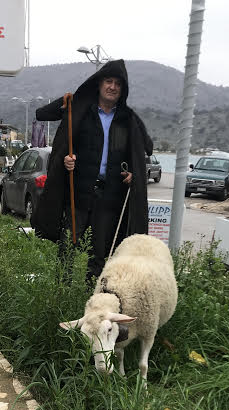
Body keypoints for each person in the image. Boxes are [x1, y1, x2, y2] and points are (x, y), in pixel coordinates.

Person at [31, 59, 153, 281]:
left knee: (99, 253)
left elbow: (146, 147)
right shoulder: (79, 110)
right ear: (98, 84)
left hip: (109, 197)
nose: (113, 87)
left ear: (123, 90)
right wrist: (66, 160)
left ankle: (91, 298)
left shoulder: (128, 120)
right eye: (108, 81)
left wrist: (134, 173)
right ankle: (61, 293)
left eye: (118, 84)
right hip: (78, 193)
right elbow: (42, 114)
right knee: (67, 248)